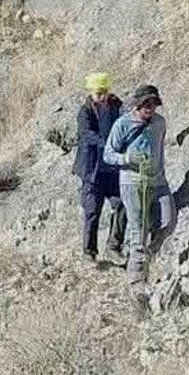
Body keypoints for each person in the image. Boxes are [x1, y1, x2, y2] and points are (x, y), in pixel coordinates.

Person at [103, 84, 177, 314]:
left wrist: (161, 173)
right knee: (138, 229)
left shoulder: (160, 123)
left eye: (153, 104)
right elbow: (108, 154)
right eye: (146, 104)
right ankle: (136, 284)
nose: (150, 108)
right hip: (133, 183)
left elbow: (160, 151)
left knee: (168, 222)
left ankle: (148, 256)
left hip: (158, 181)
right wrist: (128, 158)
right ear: (137, 104)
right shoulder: (123, 124)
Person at [74, 72, 125, 264]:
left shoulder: (115, 108)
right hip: (92, 170)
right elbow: (87, 135)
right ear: (91, 93)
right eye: (98, 93)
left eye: (104, 92)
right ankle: (89, 252)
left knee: (121, 204)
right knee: (92, 210)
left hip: (111, 170)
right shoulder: (84, 112)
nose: (102, 96)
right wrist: (109, 144)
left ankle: (114, 246)